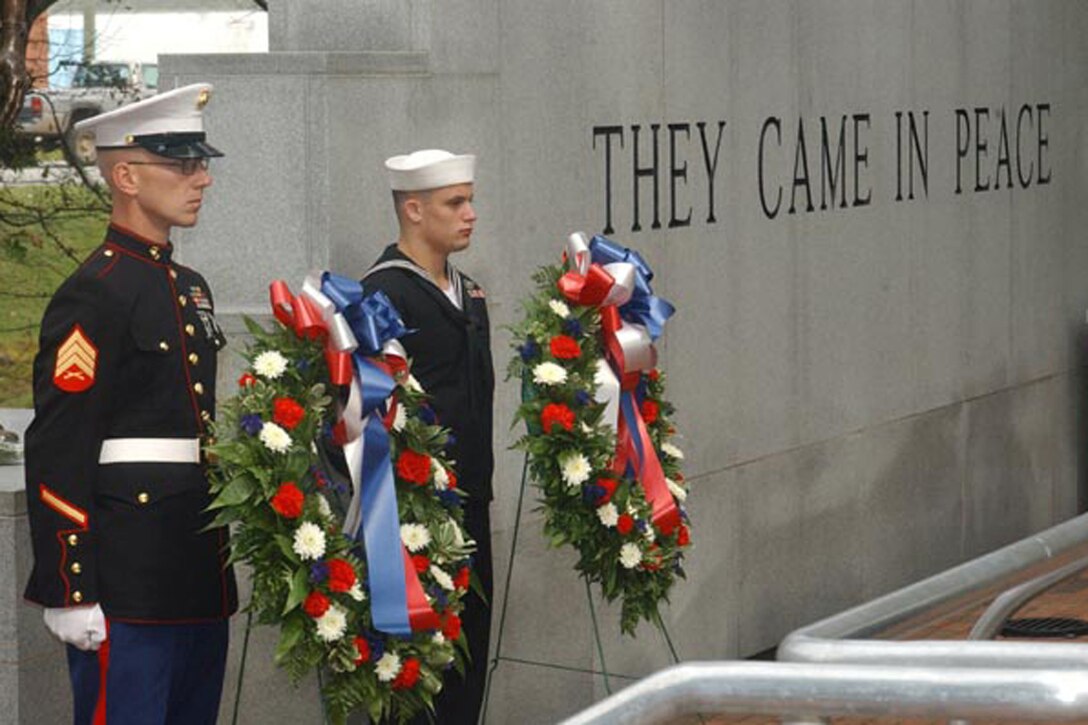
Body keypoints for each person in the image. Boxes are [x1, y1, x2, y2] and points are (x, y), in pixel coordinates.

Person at [22, 83, 238, 725]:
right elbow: (60, 441)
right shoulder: (95, 292)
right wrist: (71, 585)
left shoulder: (190, 287)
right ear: (126, 176)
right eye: (180, 164)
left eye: (201, 163)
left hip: (197, 567)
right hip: (126, 578)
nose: (200, 178)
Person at [363, 149, 495, 724]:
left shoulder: (468, 291)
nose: (469, 214)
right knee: (418, 678)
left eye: (469, 200)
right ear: (413, 210)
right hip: (413, 516)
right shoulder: (384, 295)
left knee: (469, 666)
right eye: (455, 203)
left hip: (471, 504)